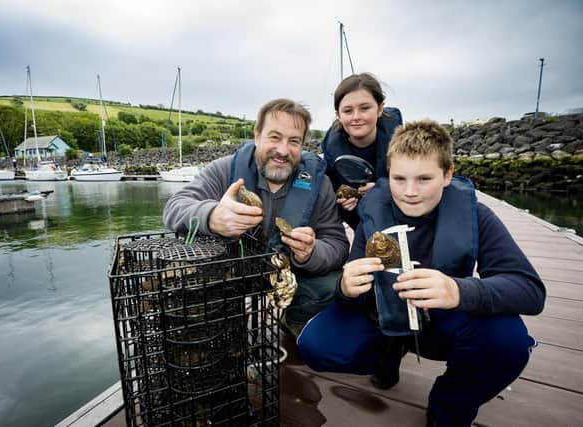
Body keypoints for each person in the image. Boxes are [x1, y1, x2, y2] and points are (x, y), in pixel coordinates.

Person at [298, 120, 545, 426]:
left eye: (424, 178)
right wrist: (346, 289)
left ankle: (448, 407)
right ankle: (391, 350)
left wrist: (458, 291)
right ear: (388, 176)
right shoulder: (373, 214)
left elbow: (531, 291)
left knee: (508, 343)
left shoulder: (477, 215)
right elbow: (350, 293)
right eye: (399, 179)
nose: (410, 192)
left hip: (441, 322)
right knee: (316, 347)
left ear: (447, 175)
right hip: (383, 316)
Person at [163, 98, 349, 336]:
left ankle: (293, 321)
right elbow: (175, 207)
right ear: (257, 135)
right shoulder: (224, 169)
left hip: (288, 278)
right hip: (230, 276)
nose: (283, 150)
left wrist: (311, 252)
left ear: (303, 145)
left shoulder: (319, 184)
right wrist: (212, 216)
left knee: (332, 286)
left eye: (294, 141)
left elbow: (338, 245)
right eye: (274, 137)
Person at [321, 72, 403, 229]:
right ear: (338, 114)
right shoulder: (331, 154)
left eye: (365, 108)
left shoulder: (403, 144)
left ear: (380, 109)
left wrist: (385, 189)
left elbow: (420, 185)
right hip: (361, 225)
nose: (356, 117)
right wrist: (342, 205)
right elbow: (329, 199)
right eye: (348, 111)